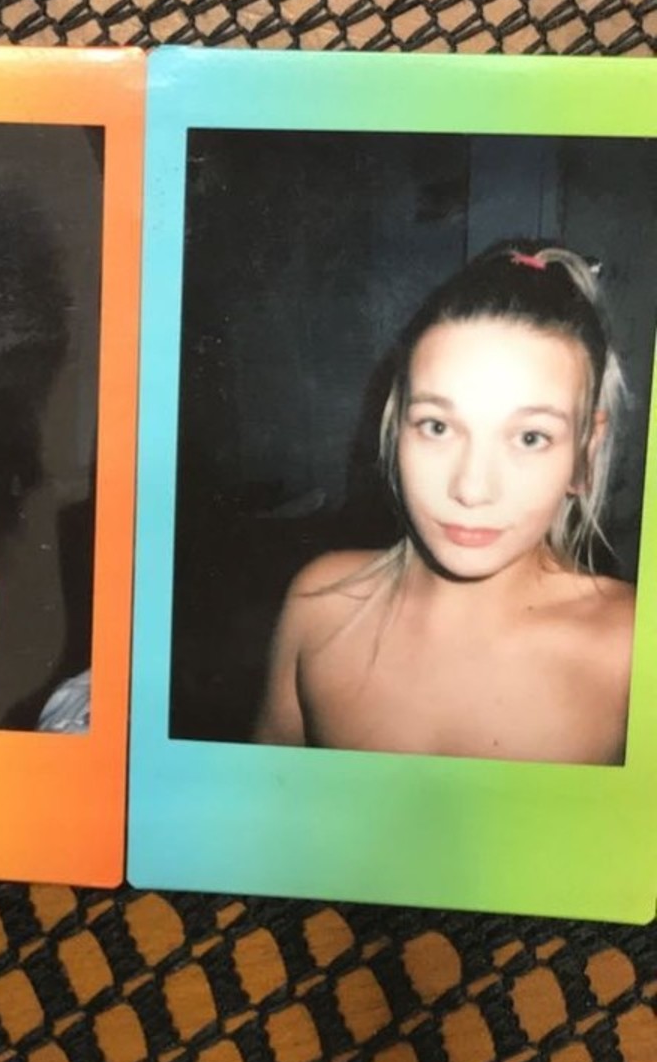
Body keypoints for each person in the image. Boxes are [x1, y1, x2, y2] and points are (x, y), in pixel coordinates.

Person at [255, 241, 635, 764]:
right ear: (397, 428)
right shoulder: (319, 606)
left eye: (530, 437)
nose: (471, 489)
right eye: (437, 426)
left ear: (585, 453)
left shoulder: (634, 650)